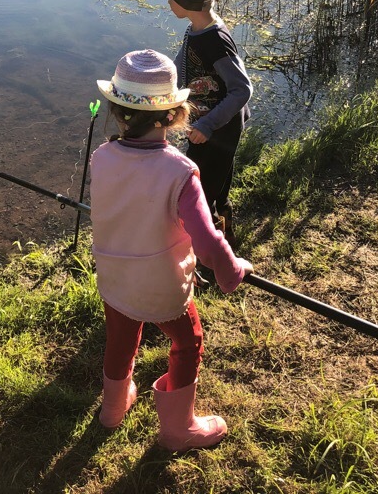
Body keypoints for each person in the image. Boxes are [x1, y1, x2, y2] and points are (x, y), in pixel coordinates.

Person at [91, 48, 253, 452]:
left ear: (118, 111)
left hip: (114, 278)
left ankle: (113, 408)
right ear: (174, 114)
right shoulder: (180, 172)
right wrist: (230, 270)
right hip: (162, 286)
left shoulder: (103, 157)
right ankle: (179, 429)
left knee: (120, 337)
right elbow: (207, 240)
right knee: (188, 341)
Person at [165, 0, 252, 239]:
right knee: (218, 183)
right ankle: (226, 231)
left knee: (200, 192)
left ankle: (209, 251)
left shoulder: (214, 41)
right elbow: (183, 63)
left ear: (187, 1)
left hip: (218, 129)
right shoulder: (198, 27)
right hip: (212, 125)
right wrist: (166, 89)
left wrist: (206, 125)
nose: (168, 2)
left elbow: (242, 89)